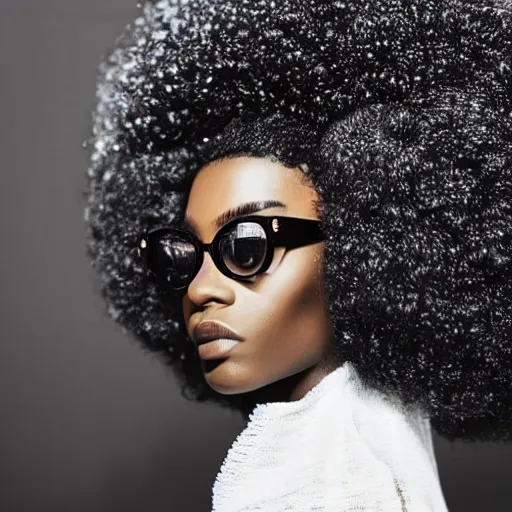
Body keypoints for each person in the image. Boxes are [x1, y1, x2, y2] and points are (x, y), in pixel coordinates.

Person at [83, 0, 512, 510]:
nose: (199, 288)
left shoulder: (338, 484)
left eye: (245, 246)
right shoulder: (362, 449)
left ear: (363, 244)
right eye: (179, 256)